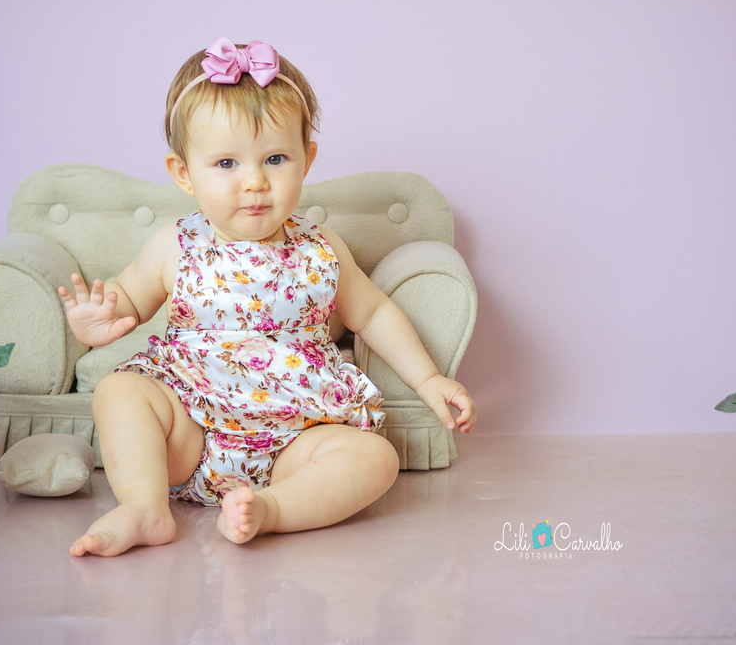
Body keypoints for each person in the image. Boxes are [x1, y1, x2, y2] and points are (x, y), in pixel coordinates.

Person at [61, 37, 476, 556]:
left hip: (296, 434)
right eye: (227, 164)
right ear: (184, 173)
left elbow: (371, 312)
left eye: (275, 158)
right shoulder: (175, 244)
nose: (254, 182)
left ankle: (275, 508)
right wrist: (100, 317)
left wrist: (428, 377)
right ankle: (145, 507)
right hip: (191, 427)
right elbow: (128, 297)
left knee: (375, 458)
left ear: (308, 160)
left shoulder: (322, 248)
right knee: (118, 391)